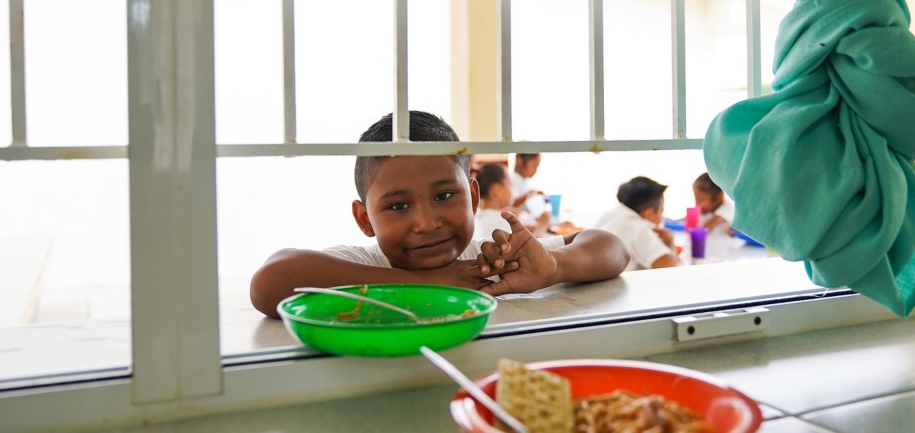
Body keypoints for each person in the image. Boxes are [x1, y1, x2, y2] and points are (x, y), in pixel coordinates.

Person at [250, 111, 630, 318]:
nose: (427, 222)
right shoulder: (368, 264)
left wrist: (555, 267)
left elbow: (611, 248)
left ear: (474, 197)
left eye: (445, 195)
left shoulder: (486, 261)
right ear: (365, 219)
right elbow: (270, 281)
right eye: (398, 206)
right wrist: (427, 285)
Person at [592, 176, 679, 271]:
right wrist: (670, 244)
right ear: (648, 213)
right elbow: (669, 267)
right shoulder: (639, 228)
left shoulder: (608, 215)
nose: (661, 217)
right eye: (661, 211)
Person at [474, 162, 550, 238]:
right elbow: (534, 247)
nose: (512, 190)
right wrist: (542, 224)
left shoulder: (482, 216)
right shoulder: (502, 221)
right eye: (510, 184)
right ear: (497, 190)